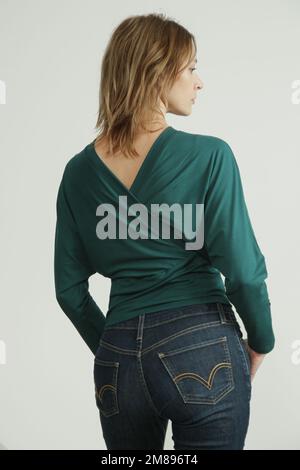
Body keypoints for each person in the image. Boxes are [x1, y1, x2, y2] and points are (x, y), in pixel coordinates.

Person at [54, 12, 275, 450]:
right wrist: (262, 340)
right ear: (158, 71)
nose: (199, 81)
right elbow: (245, 274)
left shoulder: (77, 174)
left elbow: (68, 290)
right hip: (201, 341)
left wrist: (115, 349)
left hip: (118, 360)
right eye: (191, 67)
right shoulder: (209, 156)